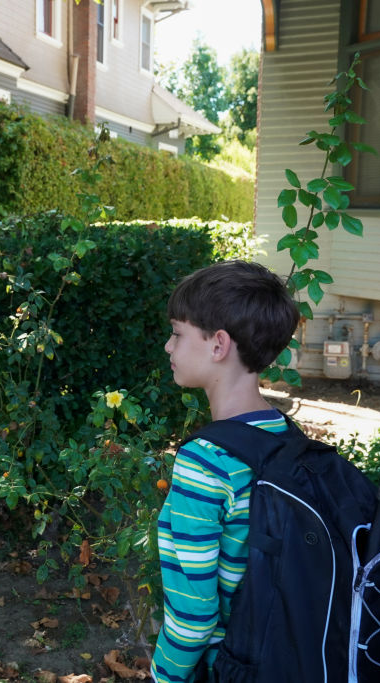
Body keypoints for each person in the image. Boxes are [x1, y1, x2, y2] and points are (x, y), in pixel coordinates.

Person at [151, 260, 299, 683]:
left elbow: (193, 617)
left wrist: (164, 677)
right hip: (283, 659)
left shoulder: (205, 462)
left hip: (229, 668)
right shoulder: (288, 437)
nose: (168, 346)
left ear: (218, 345)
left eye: (177, 334)